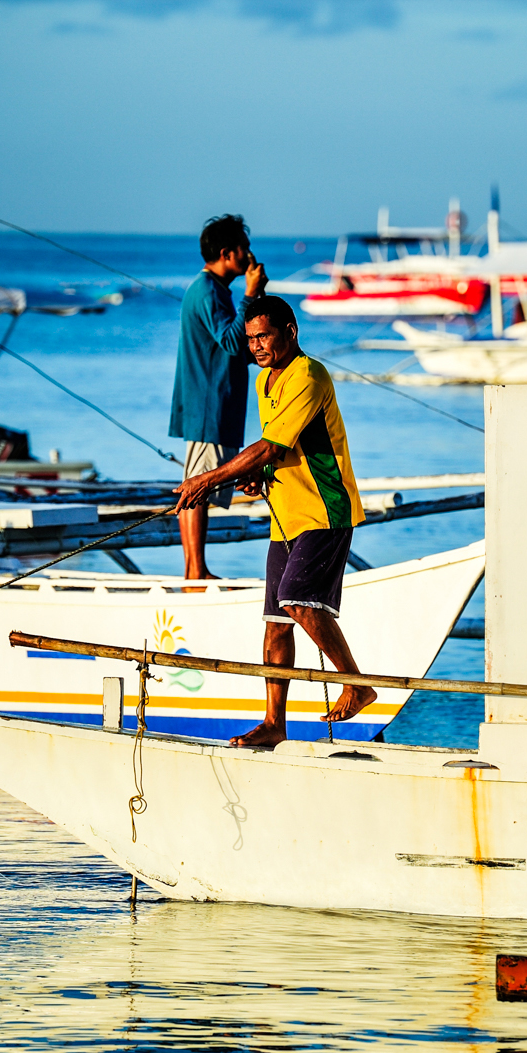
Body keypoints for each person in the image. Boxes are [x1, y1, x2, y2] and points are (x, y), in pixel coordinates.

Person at [174, 295, 374, 747]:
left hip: (324, 512)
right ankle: (273, 723)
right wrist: (259, 476)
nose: (257, 346)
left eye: (264, 335)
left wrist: (209, 478)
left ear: (291, 330)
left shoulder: (309, 374)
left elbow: (266, 445)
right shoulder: (265, 380)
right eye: (251, 339)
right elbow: (276, 451)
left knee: (298, 602)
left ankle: (357, 683)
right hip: (284, 515)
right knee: (275, 620)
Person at [169, 214, 266, 580]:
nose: (249, 254)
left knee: (203, 481)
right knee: (199, 482)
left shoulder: (215, 290)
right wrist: (252, 295)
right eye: (244, 248)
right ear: (227, 253)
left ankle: (196, 569)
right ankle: (195, 571)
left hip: (216, 402)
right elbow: (230, 340)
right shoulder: (208, 290)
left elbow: (237, 347)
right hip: (208, 402)